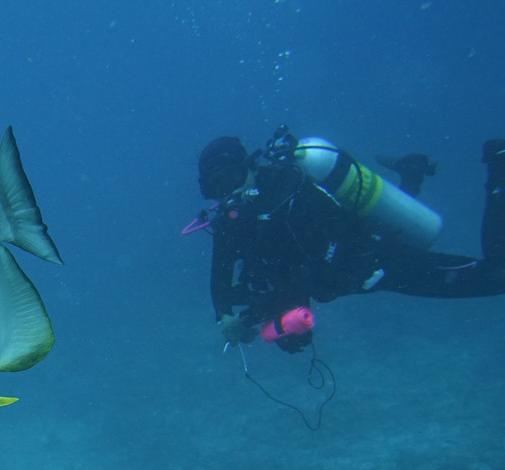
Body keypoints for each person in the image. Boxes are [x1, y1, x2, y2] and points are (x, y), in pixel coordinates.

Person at [192, 126, 505, 352]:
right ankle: (411, 173)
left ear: (248, 167)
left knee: (498, 276)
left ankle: (499, 162)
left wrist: (251, 318)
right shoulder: (232, 223)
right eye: (217, 185)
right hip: (355, 276)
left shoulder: (287, 190)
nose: (228, 190)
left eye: (232, 177)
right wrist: (225, 316)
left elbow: (308, 271)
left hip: (379, 263)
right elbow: (220, 275)